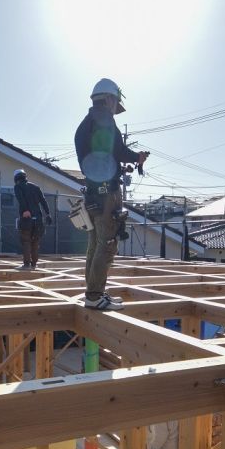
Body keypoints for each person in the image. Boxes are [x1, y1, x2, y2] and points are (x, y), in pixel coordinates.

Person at [74, 78, 148, 311]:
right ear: (108, 99)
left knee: (95, 244)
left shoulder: (85, 124)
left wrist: (117, 165)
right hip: (107, 196)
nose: (116, 107)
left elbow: (102, 156)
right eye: (115, 102)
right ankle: (95, 296)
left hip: (93, 194)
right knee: (106, 244)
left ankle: (93, 292)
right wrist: (136, 157)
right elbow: (117, 150)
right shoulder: (104, 120)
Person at [13, 169, 52, 270]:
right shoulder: (35, 187)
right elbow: (43, 201)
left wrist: (26, 210)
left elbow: (21, 199)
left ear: (16, 178)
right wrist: (48, 214)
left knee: (26, 241)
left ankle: (27, 265)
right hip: (38, 219)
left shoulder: (18, 186)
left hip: (27, 219)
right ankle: (34, 264)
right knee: (35, 242)